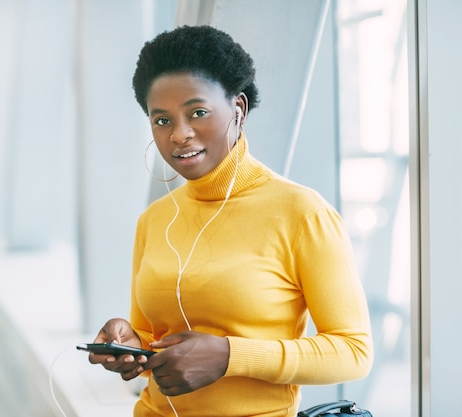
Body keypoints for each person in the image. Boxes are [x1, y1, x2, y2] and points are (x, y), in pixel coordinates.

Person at [88, 25, 373, 417]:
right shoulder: (154, 220)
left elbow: (352, 352)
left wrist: (229, 355)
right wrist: (129, 343)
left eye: (198, 113)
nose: (179, 135)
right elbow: (154, 339)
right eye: (162, 120)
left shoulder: (303, 214)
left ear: (238, 109)